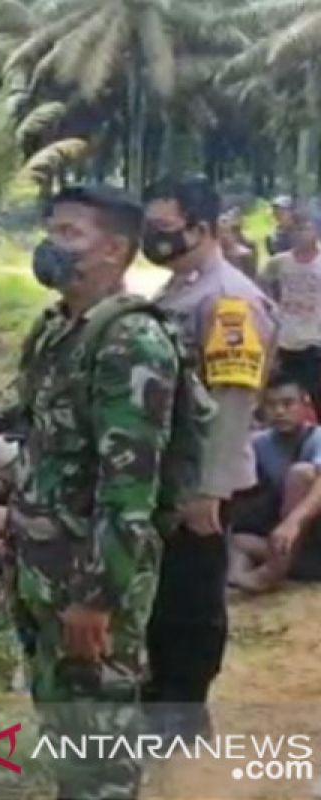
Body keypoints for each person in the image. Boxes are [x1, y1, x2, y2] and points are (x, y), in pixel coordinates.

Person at [10, 185, 179, 799]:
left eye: (69, 234)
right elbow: (28, 426)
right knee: (67, 737)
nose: (50, 245)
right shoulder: (58, 330)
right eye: (51, 229)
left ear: (115, 250)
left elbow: (128, 488)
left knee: (100, 755)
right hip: (42, 572)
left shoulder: (131, 342)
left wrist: (98, 599)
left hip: (88, 580)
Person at [143, 176, 278, 738]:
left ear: (202, 228)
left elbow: (232, 400)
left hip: (202, 479)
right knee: (165, 591)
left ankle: (184, 710)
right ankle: (164, 690)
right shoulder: (178, 289)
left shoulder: (227, 300)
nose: (151, 237)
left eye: (163, 227)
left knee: (193, 598)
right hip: (169, 474)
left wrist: (209, 489)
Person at [229, 374, 321, 593]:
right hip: (294, 549)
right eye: (271, 405)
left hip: (309, 533)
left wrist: (292, 523)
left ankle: (272, 572)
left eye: (287, 404)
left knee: (301, 474)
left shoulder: (317, 437)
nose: (280, 412)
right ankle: (240, 576)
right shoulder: (260, 442)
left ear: (304, 403)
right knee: (237, 541)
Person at [262, 209, 321, 412]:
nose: (300, 234)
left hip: (315, 341)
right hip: (286, 341)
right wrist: (273, 308)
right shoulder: (280, 262)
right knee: (284, 397)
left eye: (305, 228)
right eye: (295, 229)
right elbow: (262, 285)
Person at [218, 209, 259, 279]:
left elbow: (252, 277)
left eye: (227, 231)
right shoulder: (214, 255)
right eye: (221, 232)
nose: (224, 236)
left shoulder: (245, 254)